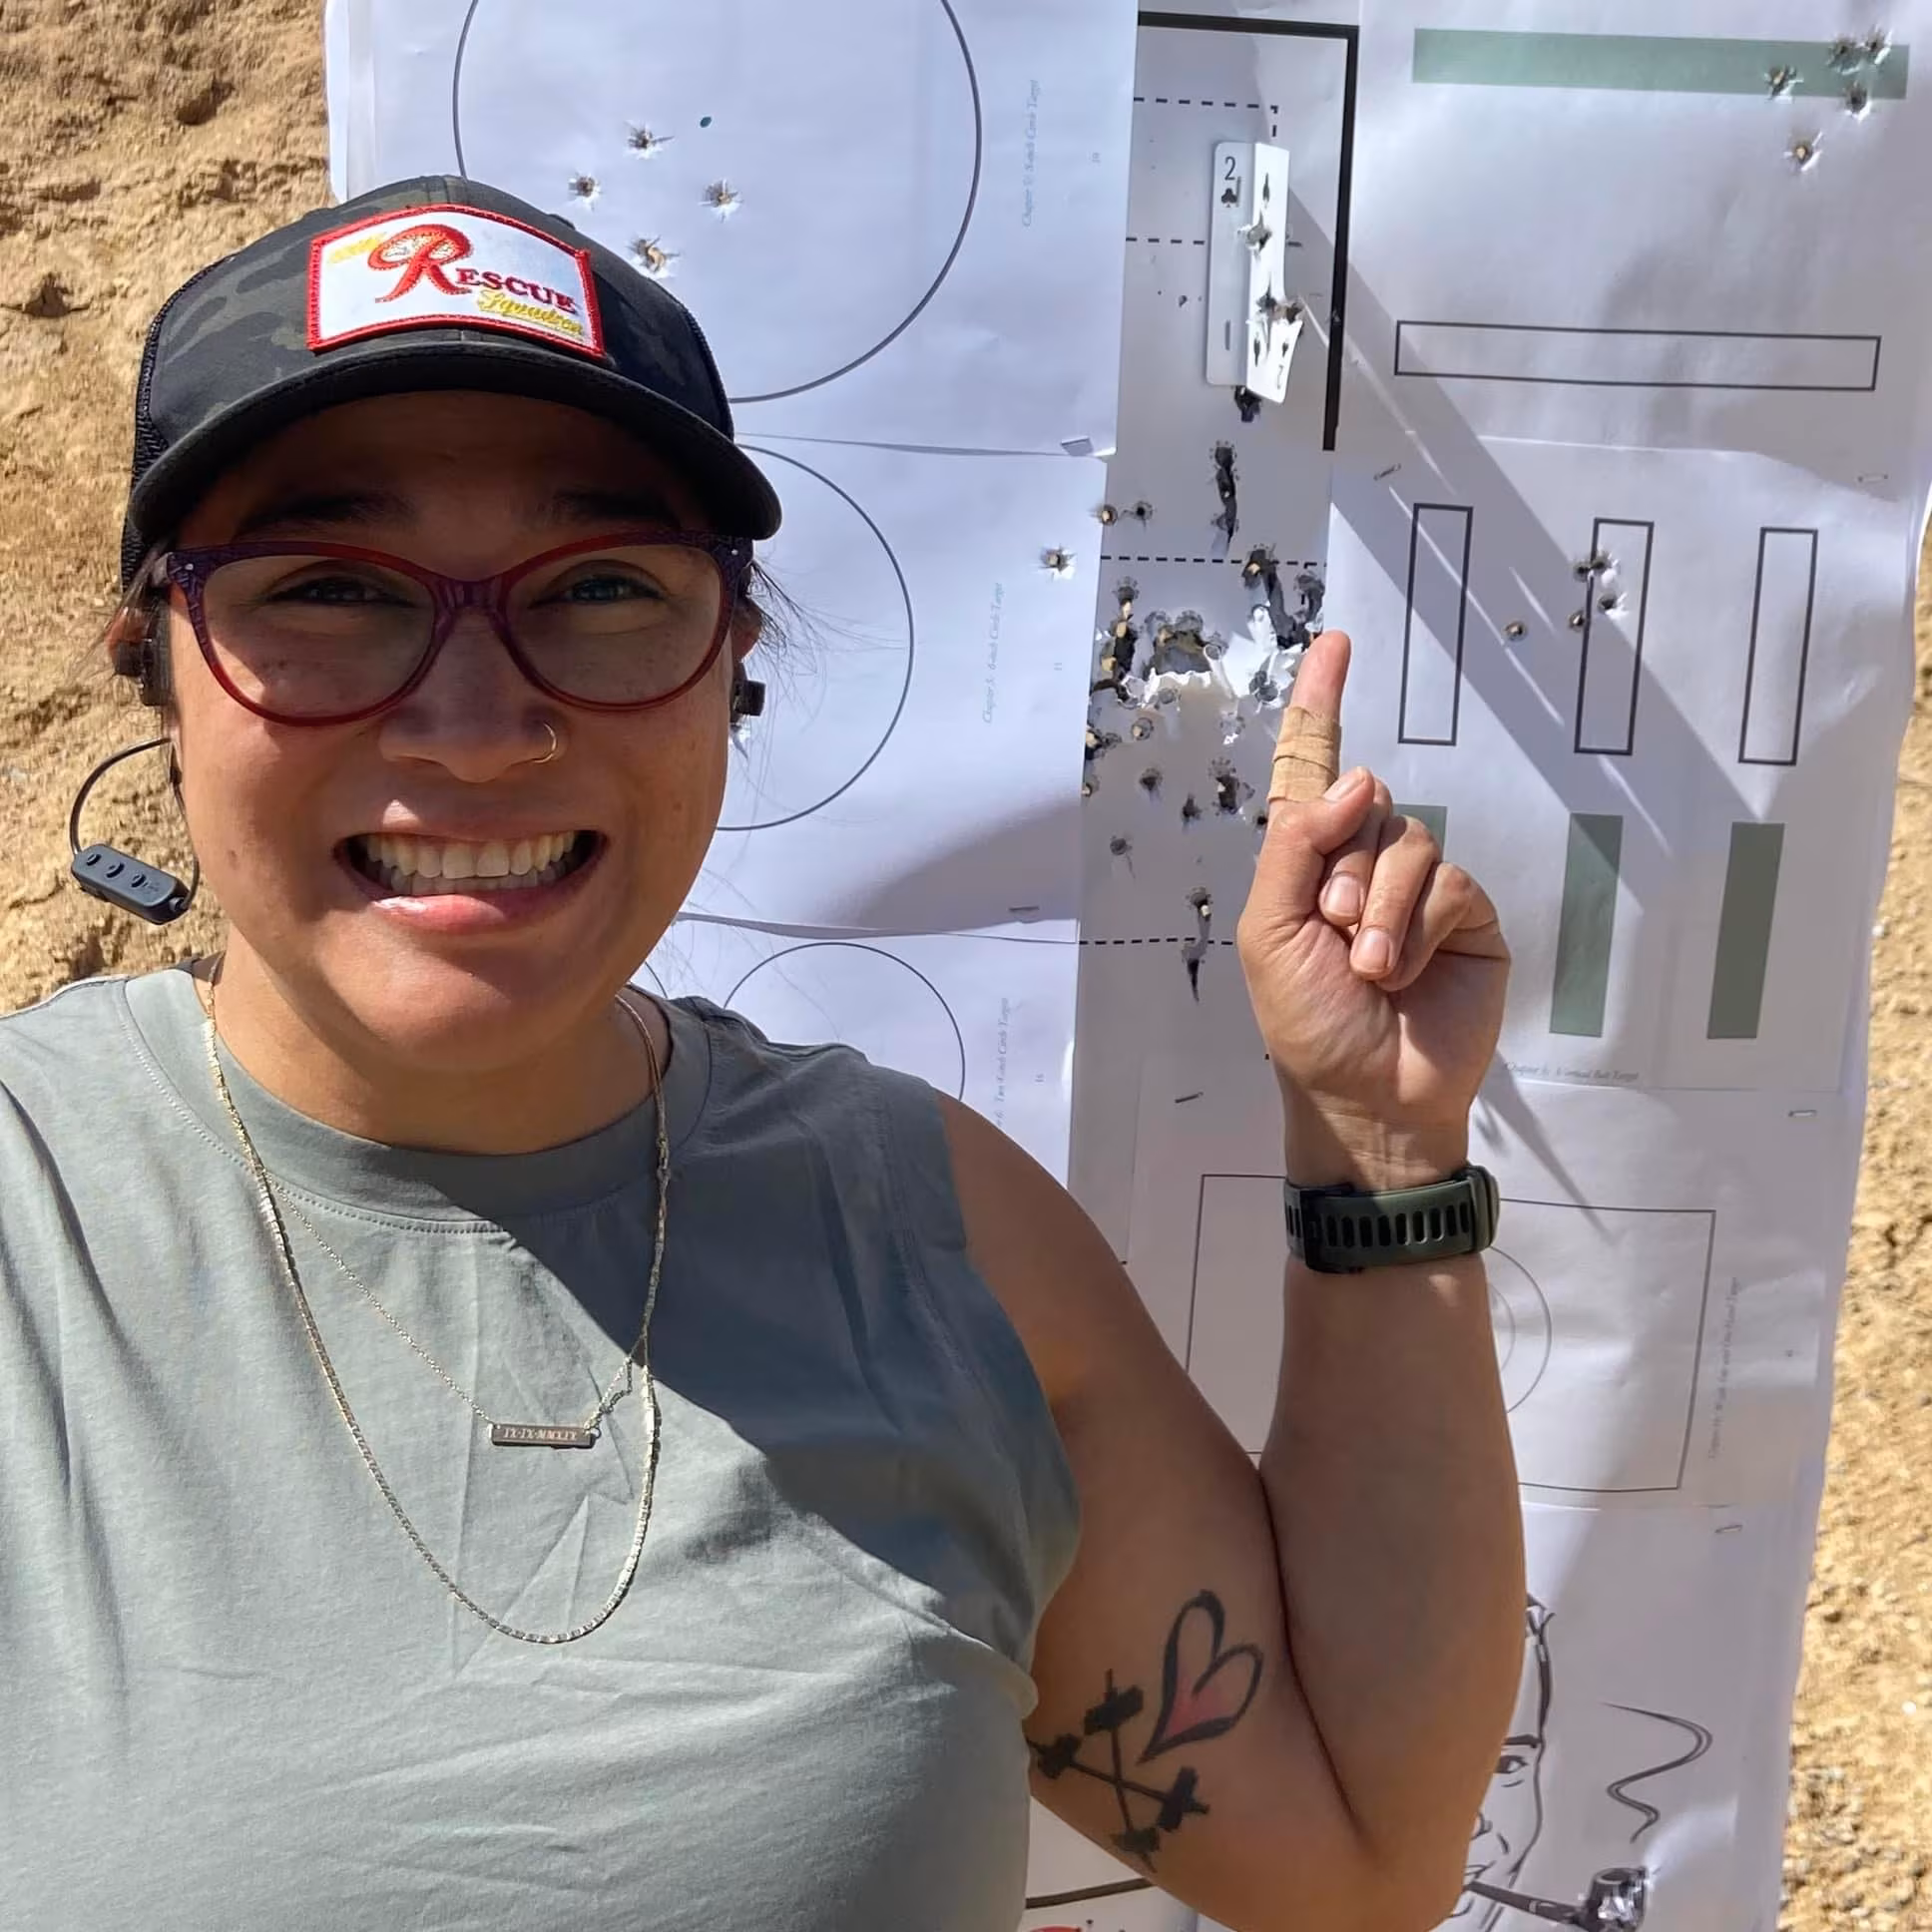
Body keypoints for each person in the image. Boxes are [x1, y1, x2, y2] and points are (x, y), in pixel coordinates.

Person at [0, 177, 1524, 1931]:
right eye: (332, 588)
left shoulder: (932, 1234)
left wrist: (1378, 1146)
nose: (478, 727)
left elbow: (1355, 1854)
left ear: (733, 666)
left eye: (599, 588)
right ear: (154, 667)